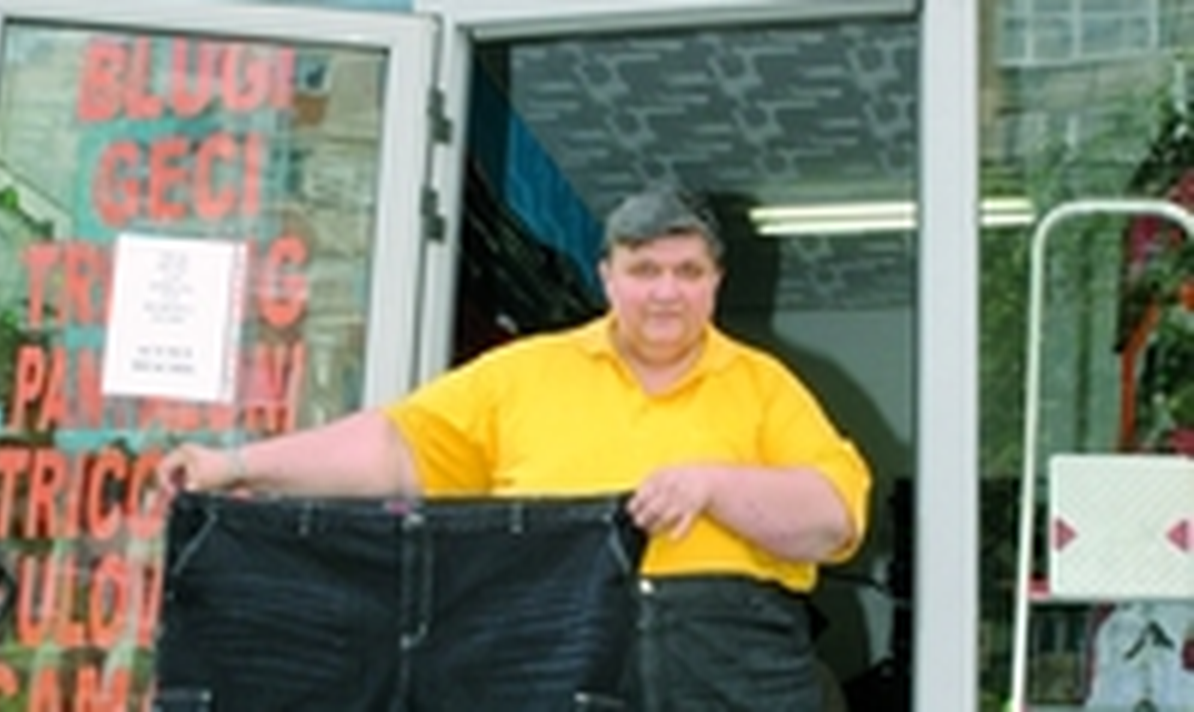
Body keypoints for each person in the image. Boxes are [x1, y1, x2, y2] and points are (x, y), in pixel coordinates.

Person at [157, 184, 872, 711]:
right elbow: (393, 448)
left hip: (731, 660)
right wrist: (235, 466)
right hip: (557, 650)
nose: (666, 292)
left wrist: (713, 486)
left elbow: (834, 518)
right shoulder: (523, 374)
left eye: (688, 272)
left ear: (715, 282)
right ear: (607, 276)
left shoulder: (764, 386)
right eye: (644, 270)